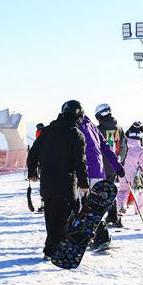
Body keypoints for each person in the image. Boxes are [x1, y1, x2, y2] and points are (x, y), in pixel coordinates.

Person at [27, 100, 89, 259]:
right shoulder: (76, 134)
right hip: (66, 184)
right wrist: (84, 184)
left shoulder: (47, 131)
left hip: (47, 183)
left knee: (51, 217)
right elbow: (80, 162)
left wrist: (32, 171)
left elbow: (33, 152)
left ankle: (54, 249)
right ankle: (53, 251)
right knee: (64, 219)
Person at [78, 112, 125, 245]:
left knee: (83, 205)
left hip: (84, 171)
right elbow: (106, 147)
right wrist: (118, 167)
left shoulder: (75, 127)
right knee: (96, 206)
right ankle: (101, 236)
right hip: (98, 172)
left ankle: (91, 236)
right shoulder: (93, 126)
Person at [94, 103, 127, 226]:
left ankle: (100, 217)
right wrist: (120, 162)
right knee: (111, 189)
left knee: (100, 191)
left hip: (101, 164)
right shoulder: (119, 129)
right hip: (114, 164)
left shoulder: (97, 129)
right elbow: (124, 147)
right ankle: (113, 215)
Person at [117, 122, 143, 216]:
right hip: (136, 174)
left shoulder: (124, 146)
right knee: (139, 192)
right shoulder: (141, 149)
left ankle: (121, 208)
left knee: (123, 191)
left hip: (123, 173)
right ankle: (139, 210)